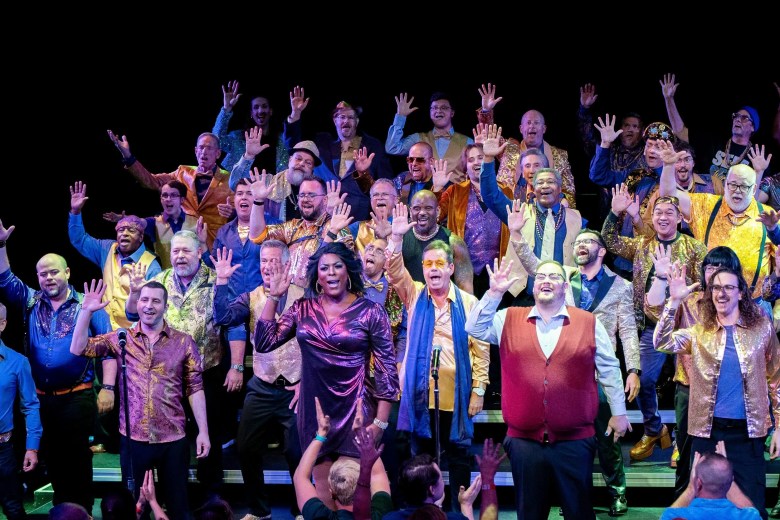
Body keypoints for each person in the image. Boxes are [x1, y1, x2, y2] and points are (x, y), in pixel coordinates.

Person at [465, 259, 631, 519]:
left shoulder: (588, 322)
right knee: (530, 514)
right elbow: (473, 328)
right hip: (523, 443)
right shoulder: (508, 318)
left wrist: (619, 412)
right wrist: (494, 292)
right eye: (541, 276)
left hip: (575, 441)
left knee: (579, 513)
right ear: (533, 285)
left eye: (553, 277)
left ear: (565, 286)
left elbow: (609, 368)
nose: (546, 281)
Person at [508, 219, 640, 516]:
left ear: (602, 250)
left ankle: (616, 490)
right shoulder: (563, 278)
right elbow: (532, 263)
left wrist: (634, 369)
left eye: (588, 242)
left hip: (600, 372)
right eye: (578, 242)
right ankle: (570, 499)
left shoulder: (621, 286)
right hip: (567, 374)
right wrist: (516, 234)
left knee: (608, 438)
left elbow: (629, 330)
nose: (581, 246)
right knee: (568, 440)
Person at [254, 242, 399, 508]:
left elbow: (387, 369)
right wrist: (274, 297)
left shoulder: (371, 311)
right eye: (324, 268)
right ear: (317, 276)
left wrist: (380, 422)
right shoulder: (302, 308)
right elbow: (264, 342)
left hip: (355, 408)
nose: (331, 273)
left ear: (348, 272)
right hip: (316, 410)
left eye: (337, 266)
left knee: (356, 490)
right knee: (323, 488)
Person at [71, 279, 209, 520]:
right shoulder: (122, 338)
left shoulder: (183, 341)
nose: (148, 305)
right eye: (144, 299)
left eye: (156, 301)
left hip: (173, 438)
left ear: (165, 306)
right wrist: (86, 312)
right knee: (135, 508)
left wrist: (203, 432)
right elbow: (78, 348)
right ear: (137, 303)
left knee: (178, 507)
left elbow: (195, 387)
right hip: (134, 438)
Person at [0, 222, 112, 514]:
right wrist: (1, 246)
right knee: (53, 461)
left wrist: (109, 388)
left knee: (76, 460)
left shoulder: (86, 303)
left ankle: (82, 512)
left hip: (77, 396)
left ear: (67, 273)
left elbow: (110, 351)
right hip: (41, 398)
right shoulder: (31, 302)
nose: (48, 277)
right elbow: (5, 279)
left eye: (53, 271)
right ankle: (64, 512)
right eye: (42, 273)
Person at [655, 262, 780, 519]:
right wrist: (674, 301)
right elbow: (661, 341)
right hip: (707, 431)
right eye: (716, 288)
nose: (721, 293)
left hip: (748, 433)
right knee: (704, 509)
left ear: (741, 292)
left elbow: (776, 379)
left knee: (753, 506)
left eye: (728, 287)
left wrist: (779, 427)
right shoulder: (699, 332)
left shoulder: (762, 329)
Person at [386, 203, 489, 513]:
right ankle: (423, 511)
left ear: (450, 269)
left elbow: (481, 350)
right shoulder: (415, 294)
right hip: (421, 394)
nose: (432, 268)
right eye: (428, 262)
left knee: (458, 453)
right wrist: (394, 238)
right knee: (421, 455)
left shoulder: (469, 303)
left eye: (438, 263)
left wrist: (479, 389)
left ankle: (459, 512)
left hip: (456, 395)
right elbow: (393, 271)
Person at [604, 188, 707, 462]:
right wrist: (616, 213)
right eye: (658, 212)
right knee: (644, 380)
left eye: (669, 213)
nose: (662, 217)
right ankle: (653, 429)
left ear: (680, 218)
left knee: (685, 385)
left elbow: (703, 288)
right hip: (652, 327)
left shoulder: (694, 248)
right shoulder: (643, 245)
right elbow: (610, 242)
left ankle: (682, 439)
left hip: (685, 328)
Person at [125, 230, 227, 501]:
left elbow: (234, 321)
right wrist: (135, 292)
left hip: (206, 374)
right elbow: (132, 313)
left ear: (199, 252)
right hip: (164, 378)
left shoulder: (217, 281)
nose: (180, 256)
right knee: (172, 443)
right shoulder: (159, 280)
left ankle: (209, 500)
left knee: (208, 440)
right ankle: (169, 499)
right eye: (175, 251)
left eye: (186, 251)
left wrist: (237, 365)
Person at [212, 241, 304, 520]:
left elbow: (316, 344)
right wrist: (222, 281)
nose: (267, 266)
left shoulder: (304, 297)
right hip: (263, 385)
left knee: (296, 451)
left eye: (274, 261)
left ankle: (301, 509)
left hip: (295, 387)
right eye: (263, 261)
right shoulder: (251, 296)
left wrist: (306, 381)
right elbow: (222, 316)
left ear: (286, 264)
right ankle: (259, 510)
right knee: (246, 447)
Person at [645, 246, 744, 495]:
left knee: (728, 453)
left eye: (720, 267)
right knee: (688, 453)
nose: (713, 273)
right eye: (709, 266)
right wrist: (661, 282)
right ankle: (685, 503)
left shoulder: (741, 305)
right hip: (690, 389)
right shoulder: (689, 300)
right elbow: (654, 312)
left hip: (729, 393)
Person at [658, 143, 780, 313]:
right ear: (725, 184)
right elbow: (668, 194)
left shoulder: (769, 217)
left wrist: (779, 310)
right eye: (732, 185)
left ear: (754, 190)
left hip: (755, 306)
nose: (737, 191)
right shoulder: (706, 205)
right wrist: (668, 166)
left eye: (743, 186)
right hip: (712, 305)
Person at [480, 125, 584, 306]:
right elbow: (490, 195)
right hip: (522, 296)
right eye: (540, 183)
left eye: (550, 182)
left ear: (560, 188)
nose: (544, 186)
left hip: (563, 298)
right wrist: (488, 158)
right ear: (533, 188)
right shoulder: (517, 212)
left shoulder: (576, 218)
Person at [107, 130, 234, 250]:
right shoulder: (182, 172)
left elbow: (242, 212)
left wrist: (233, 212)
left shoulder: (229, 179)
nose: (204, 152)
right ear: (196, 151)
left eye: (209, 148)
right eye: (201, 147)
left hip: (212, 244)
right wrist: (128, 157)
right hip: (182, 242)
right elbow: (151, 181)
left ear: (218, 153)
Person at [68, 181, 162, 329]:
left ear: (141, 237)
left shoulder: (151, 265)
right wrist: (75, 212)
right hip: (103, 330)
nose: (124, 234)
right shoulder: (107, 249)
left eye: (131, 230)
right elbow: (79, 239)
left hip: (132, 335)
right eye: (121, 230)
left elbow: (155, 307)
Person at [661, 72, 772, 190]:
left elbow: (758, 194)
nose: (738, 120)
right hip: (704, 198)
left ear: (753, 127)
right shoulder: (714, 142)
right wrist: (669, 99)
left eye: (744, 118)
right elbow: (680, 132)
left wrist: (759, 172)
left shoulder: (756, 156)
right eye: (736, 116)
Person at [248, 171, 353, 289]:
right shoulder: (292, 227)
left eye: (311, 195)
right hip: (291, 302)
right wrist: (258, 201)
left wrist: (333, 216)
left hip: (321, 301)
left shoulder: (335, 225)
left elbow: (349, 260)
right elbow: (257, 236)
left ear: (325, 200)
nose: (305, 199)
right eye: (302, 195)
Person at [293, 398, 393, 520]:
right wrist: (360, 435)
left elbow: (300, 477)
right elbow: (378, 475)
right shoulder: (381, 513)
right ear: (366, 484)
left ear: (331, 491)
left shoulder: (319, 516)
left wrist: (320, 435)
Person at [434, 144, 512, 298]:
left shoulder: (506, 191)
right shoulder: (455, 192)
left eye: (481, 158)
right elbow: (434, 218)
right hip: (465, 273)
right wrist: (437, 189)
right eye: (471, 160)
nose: (476, 163)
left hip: (499, 272)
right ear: (466, 166)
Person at [476, 87, 576, 207]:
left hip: (546, 213)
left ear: (544, 129)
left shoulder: (559, 156)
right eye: (528, 123)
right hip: (508, 210)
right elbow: (490, 136)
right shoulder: (508, 149)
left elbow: (569, 193)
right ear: (521, 129)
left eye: (536, 123)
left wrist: (561, 206)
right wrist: (486, 110)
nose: (532, 127)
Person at [313, 100, 395, 221]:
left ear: (357, 122)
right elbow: (293, 144)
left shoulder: (373, 146)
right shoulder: (321, 145)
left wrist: (363, 174)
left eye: (350, 117)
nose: (346, 121)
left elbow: (385, 184)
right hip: (325, 217)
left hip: (359, 219)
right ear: (335, 121)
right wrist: (295, 116)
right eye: (342, 117)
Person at [576, 83, 646, 220]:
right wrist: (584, 110)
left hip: (639, 217)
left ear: (642, 131)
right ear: (620, 129)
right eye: (626, 125)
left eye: (635, 126)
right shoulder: (610, 149)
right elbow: (587, 137)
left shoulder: (646, 154)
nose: (630, 129)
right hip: (608, 216)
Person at [0, 301, 41, 520]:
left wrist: (32, 448)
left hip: (3, 450)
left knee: (13, 509)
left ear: (2, 324)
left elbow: (31, 406)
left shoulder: (17, 362)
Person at [102, 180, 201, 270]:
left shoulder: (196, 222)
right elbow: (140, 222)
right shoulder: (154, 223)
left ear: (182, 200)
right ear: (161, 199)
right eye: (165, 195)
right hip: (166, 279)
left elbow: (203, 251)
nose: (168, 199)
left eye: (173, 195)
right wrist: (125, 219)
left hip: (192, 275)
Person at [212, 81, 304, 174]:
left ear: (270, 111)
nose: (260, 111)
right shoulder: (238, 137)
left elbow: (294, 145)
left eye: (264, 106)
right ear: (251, 113)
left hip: (272, 187)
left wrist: (295, 114)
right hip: (240, 186)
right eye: (256, 107)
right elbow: (216, 140)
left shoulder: (281, 140)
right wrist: (226, 108)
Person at [386, 92, 473, 182]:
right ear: (430, 112)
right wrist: (400, 117)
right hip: (424, 194)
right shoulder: (418, 139)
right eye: (434, 108)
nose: (438, 111)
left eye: (444, 108)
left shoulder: (467, 142)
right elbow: (392, 148)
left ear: (452, 113)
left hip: (458, 195)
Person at [398, 190, 473, 294]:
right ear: (410, 212)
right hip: (409, 305)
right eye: (417, 208)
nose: (422, 213)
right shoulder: (400, 239)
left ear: (437, 211)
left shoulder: (454, 243)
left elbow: (466, 290)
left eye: (428, 208)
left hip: (444, 307)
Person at [660, 449, 760, 519]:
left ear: (698, 482)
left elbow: (669, 514)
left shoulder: (673, 516)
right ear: (730, 482)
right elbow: (751, 511)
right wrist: (725, 474)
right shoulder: (749, 516)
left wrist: (691, 487)